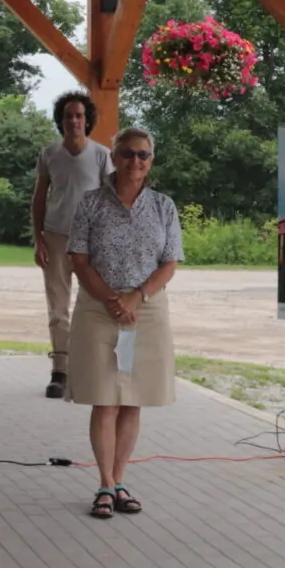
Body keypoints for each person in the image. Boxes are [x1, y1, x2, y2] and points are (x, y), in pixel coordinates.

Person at [67, 127, 181, 520]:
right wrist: (112, 299)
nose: (136, 161)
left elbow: (170, 262)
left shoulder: (164, 205)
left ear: (152, 160)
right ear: (113, 158)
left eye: (144, 155)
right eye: (128, 154)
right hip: (100, 309)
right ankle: (103, 483)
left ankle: (119, 481)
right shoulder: (91, 203)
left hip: (145, 310)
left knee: (133, 399)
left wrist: (137, 297)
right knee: (106, 398)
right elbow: (78, 259)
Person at [32, 91, 112, 399]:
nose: (74, 121)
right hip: (55, 237)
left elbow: (111, 200)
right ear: (61, 120)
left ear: (87, 119)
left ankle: (93, 367)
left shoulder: (101, 155)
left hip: (91, 242)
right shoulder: (49, 154)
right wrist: (37, 237)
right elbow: (39, 199)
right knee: (58, 308)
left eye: (79, 115)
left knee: (94, 303)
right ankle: (60, 371)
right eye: (68, 116)